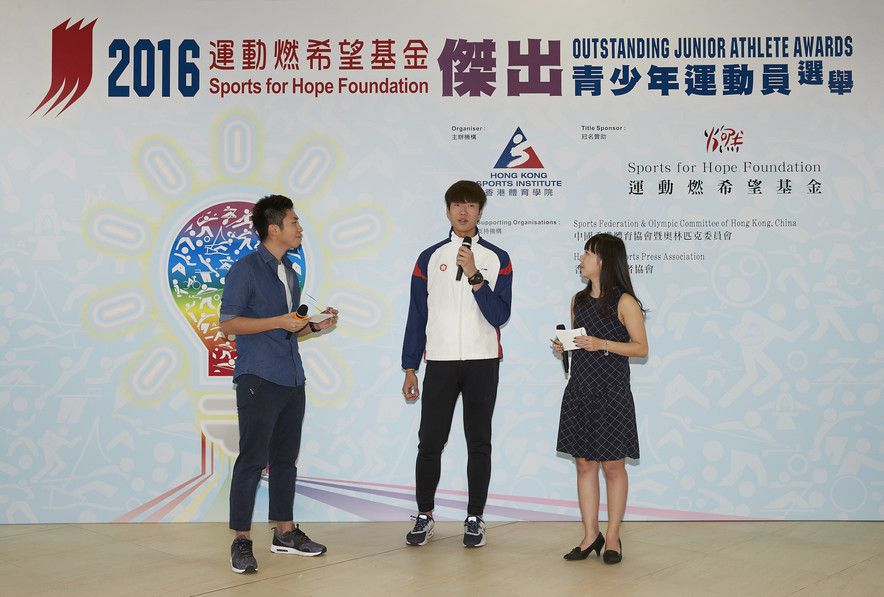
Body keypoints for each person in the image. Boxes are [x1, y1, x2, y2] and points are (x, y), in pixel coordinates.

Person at [219, 194, 339, 574]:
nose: (300, 227)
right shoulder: (245, 269)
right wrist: (279, 321)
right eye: (294, 221)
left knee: (286, 460)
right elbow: (228, 325)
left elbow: (289, 330)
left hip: (291, 376)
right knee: (253, 461)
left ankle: (285, 533)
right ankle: (241, 540)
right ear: (274, 229)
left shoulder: (291, 272)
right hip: (258, 377)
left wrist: (313, 325)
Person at [401, 180, 513, 548]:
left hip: (483, 361)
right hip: (441, 361)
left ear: (481, 212)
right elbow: (417, 316)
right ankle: (424, 515)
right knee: (430, 441)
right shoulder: (429, 257)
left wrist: (476, 275)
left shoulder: (497, 258)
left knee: (479, 441)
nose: (464, 211)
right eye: (457, 205)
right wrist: (410, 367)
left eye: (471, 205)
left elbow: (499, 316)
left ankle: (475, 518)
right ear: (447, 210)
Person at [551, 233, 648, 565]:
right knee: (584, 463)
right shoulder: (578, 300)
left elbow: (641, 348)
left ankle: (614, 537)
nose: (581, 257)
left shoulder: (625, 302)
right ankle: (591, 535)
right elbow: (582, 342)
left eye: (588, 253)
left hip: (612, 393)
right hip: (580, 390)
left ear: (603, 262)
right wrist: (567, 345)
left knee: (613, 466)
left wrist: (603, 343)